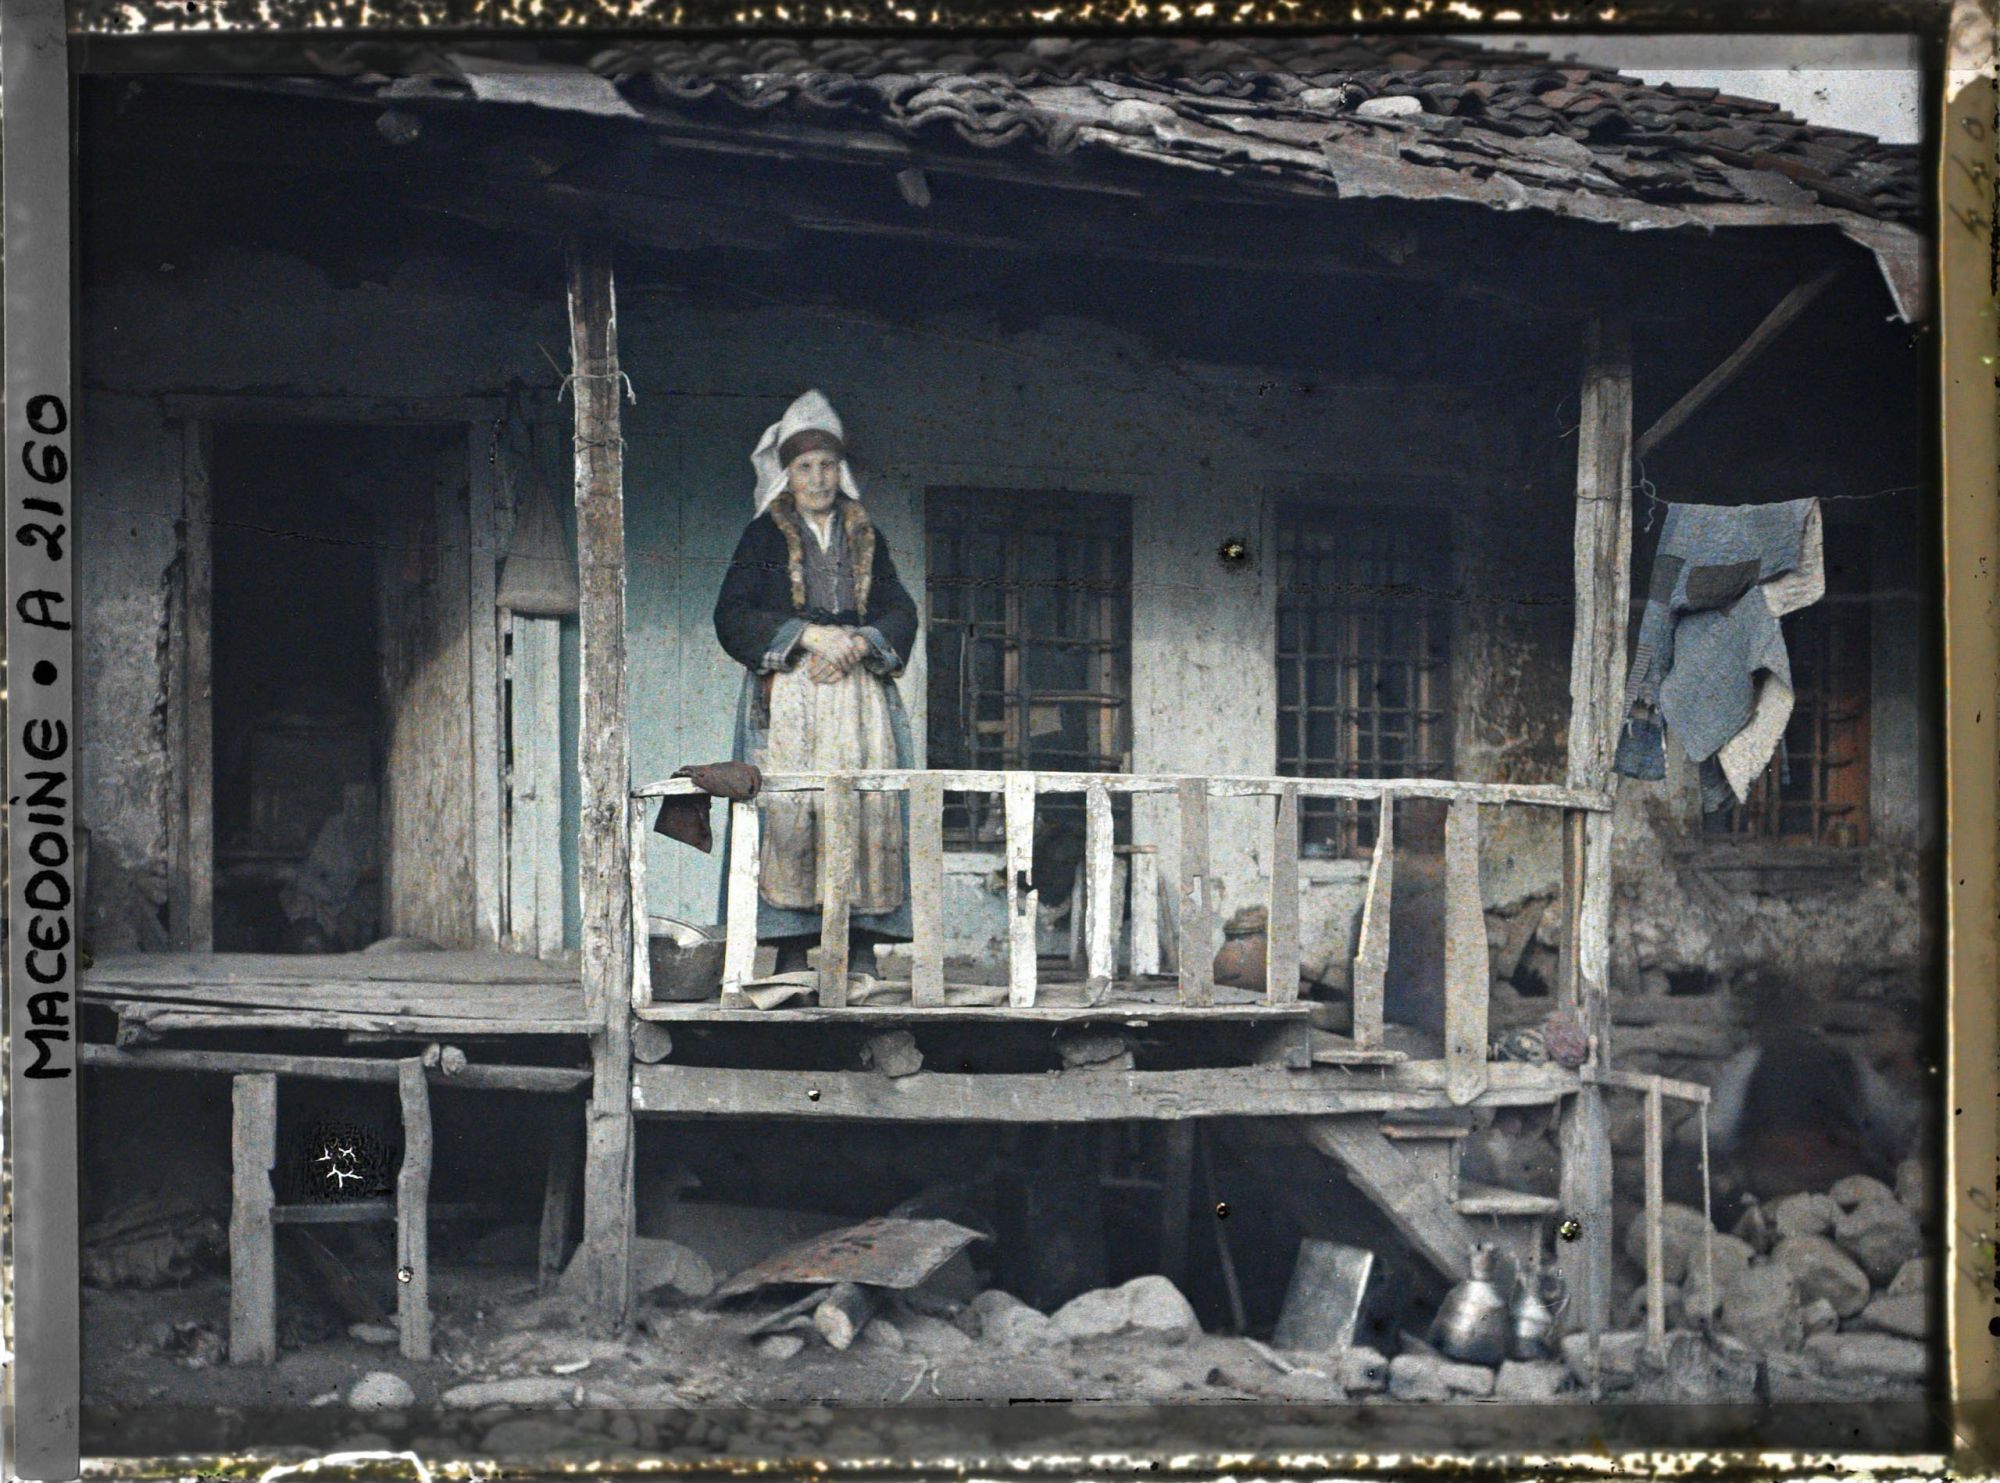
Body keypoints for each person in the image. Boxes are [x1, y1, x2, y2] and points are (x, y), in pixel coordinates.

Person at [712, 390, 920, 976]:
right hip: (791, 700)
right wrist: (806, 637)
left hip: (858, 702)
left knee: (863, 808)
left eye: (827, 465)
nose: (818, 478)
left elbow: (899, 609)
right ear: (788, 475)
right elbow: (732, 615)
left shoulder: (865, 535)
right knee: (791, 812)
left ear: (841, 471)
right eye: (805, 467)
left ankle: (859, 951)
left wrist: (856, 643)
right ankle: (790, 951)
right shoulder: (763, 536)